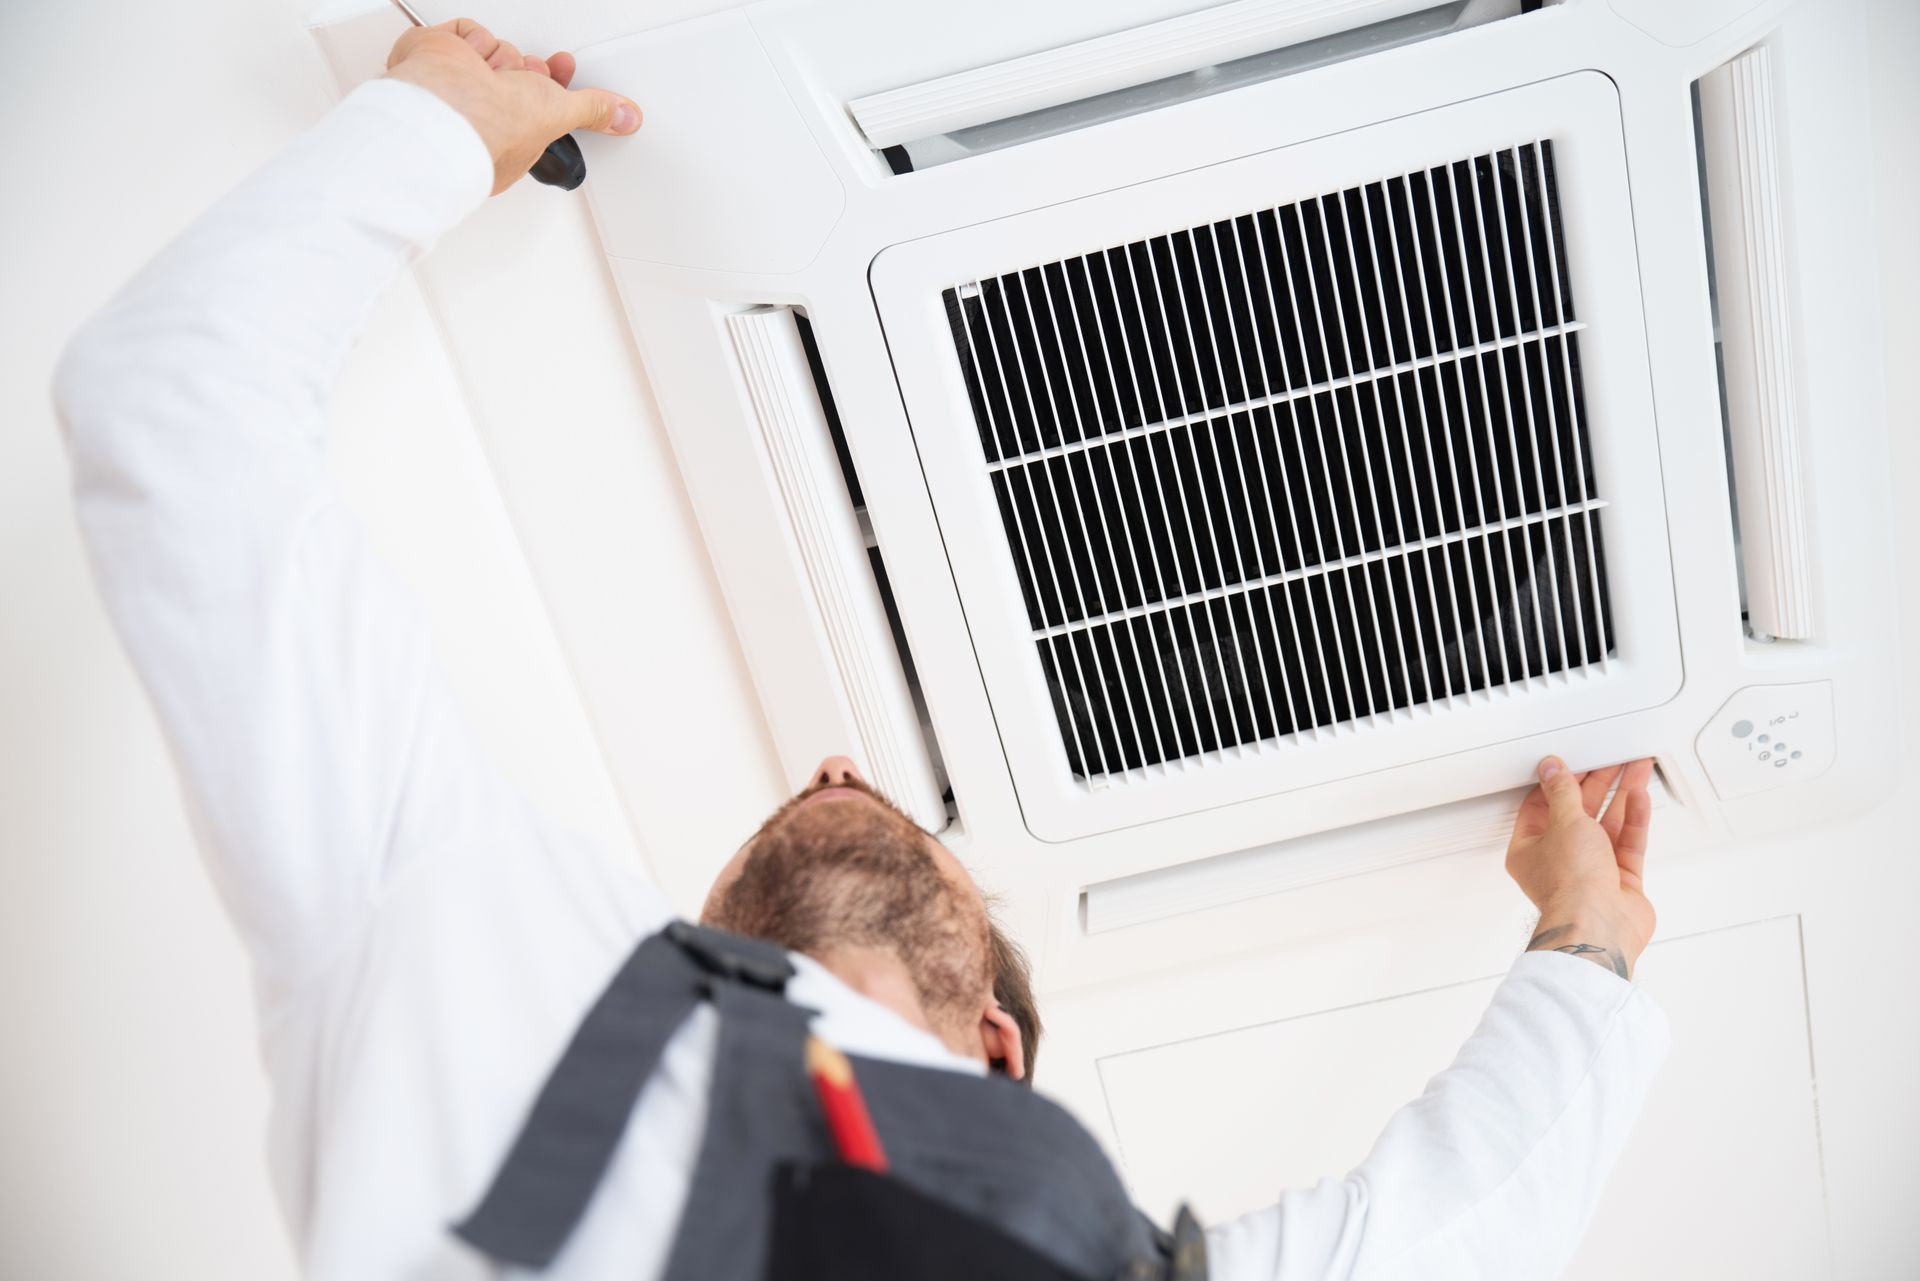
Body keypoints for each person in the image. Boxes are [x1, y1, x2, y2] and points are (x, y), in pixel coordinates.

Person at [55, 17, 1669, 1281]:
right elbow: (1461, 1222)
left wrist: (422, 130)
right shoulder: (458, 933)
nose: (834, 763)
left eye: (868, 805)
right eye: (890, 805)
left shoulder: (477, 925)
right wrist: (1588, 941)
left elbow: (177, 416)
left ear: (992, 1051)